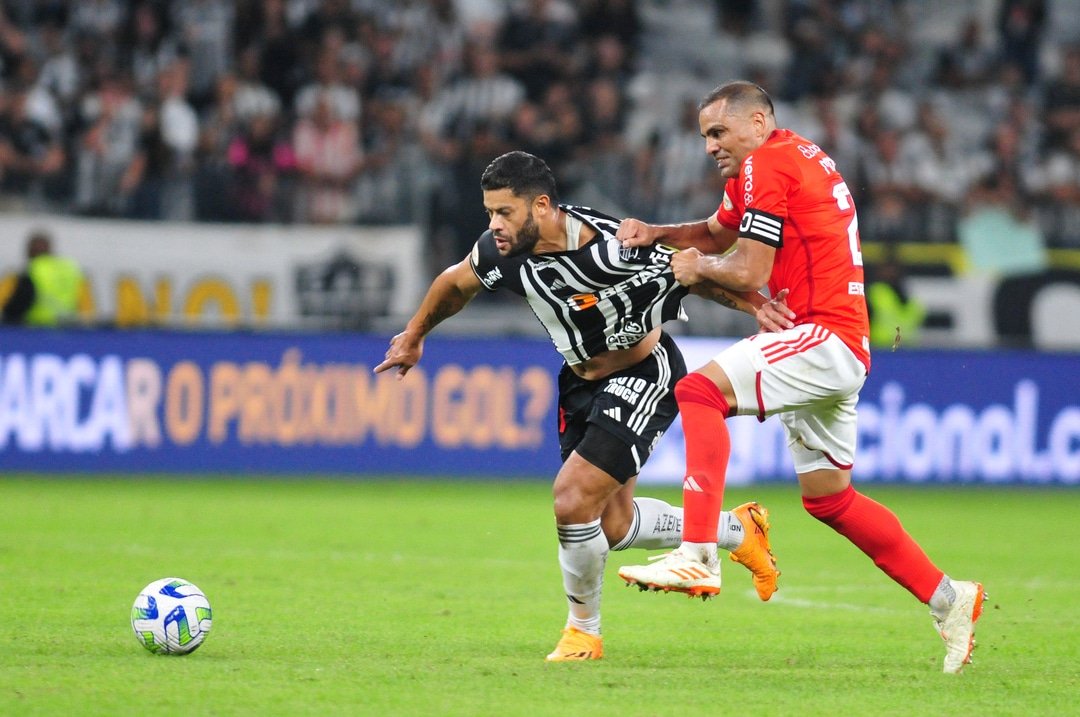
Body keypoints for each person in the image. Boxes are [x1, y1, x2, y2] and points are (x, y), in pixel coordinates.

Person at [614, 82, 985, 674]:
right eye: (705, 136)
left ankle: (699, 553)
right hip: (837, 345)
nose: (710, 146)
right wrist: (660, 235)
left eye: (718, 132)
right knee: (830, 500)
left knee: (697, 391)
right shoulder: (781, 160)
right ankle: (950, 599)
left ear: (757, 122)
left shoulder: (769, 162)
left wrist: (695, 269)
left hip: (822, 335)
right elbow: (717, 232)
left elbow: (746, 264)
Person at [375, 151, 780, 662]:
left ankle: (582, 633)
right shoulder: (501, 253)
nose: (494, 225)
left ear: (541, 206)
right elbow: (454, 284)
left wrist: (757, 307)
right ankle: (738, 529)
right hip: (580, 381)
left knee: (570, 499)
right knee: (611, 525)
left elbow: (696, 274)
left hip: (644, 371)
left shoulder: (615, 246)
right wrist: (413, 336)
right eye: (489, 213)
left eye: (504, 212)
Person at [2, 229, 84, 326]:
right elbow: (86, 307)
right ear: (50, 249)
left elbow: (20, 301)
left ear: (29, 251)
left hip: (36, 327)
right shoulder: (71, 269)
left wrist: (8, 318)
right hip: (67, 328)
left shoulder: (32, 270)